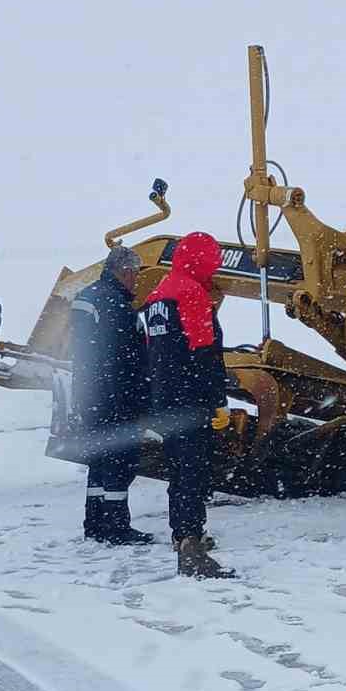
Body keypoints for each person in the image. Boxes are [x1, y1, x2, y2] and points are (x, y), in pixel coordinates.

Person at [141, 231, 234, 578]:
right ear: (201, 261)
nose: (215, 269)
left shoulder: (156, 296)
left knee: (178, 469)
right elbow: (204, 353)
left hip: (165, 399)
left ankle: (180, 533)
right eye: (212, 262)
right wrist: (218, 402)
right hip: (191, 401)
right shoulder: (192, 294)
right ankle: (190, 543)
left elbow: (154, 353)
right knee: (193, 471)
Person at [68, 243, 153, 546]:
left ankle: (95, 523)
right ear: (125, 271)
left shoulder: (86, 296)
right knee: (120, 460)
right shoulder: (116, 305)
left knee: (99, 460)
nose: (137, 280)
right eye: (136, 274)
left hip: (90, 394)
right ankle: (117, 526)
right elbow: (126, 358)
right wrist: (142, 397)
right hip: (115, 397)